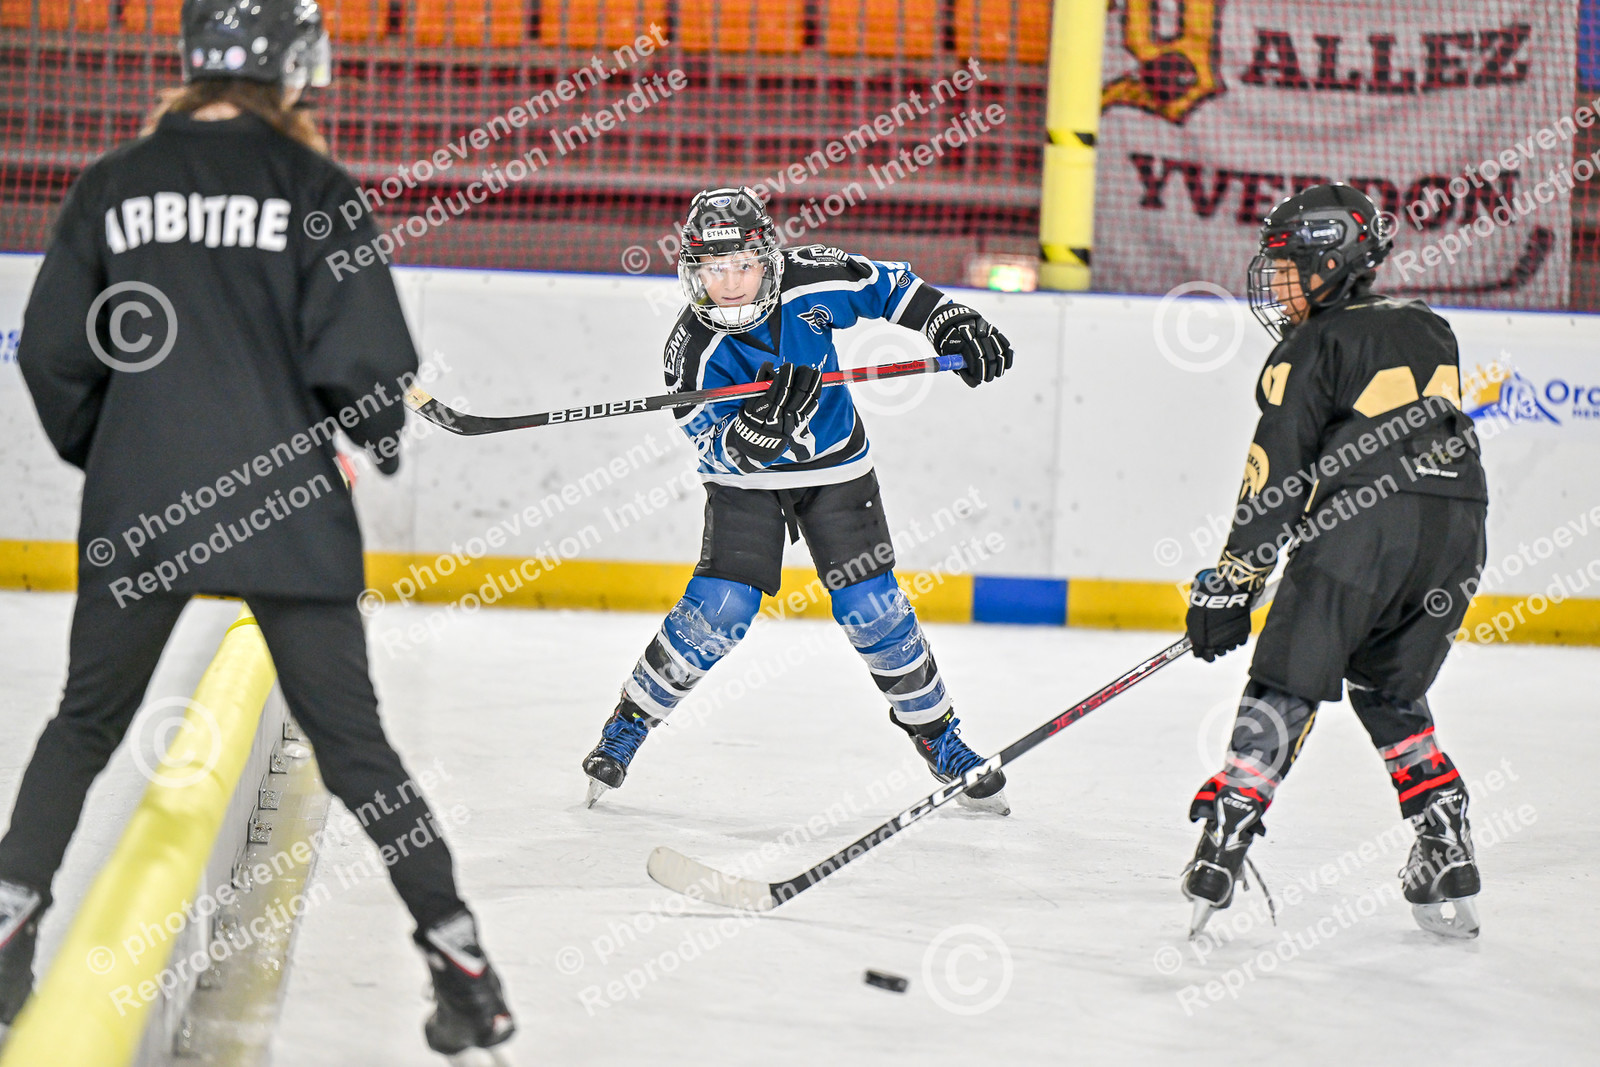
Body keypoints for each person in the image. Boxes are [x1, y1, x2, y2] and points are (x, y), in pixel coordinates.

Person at [3, 0, 513, 1058]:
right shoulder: (313, 188)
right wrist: (378, 432)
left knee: (83, 726)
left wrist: (120, 453)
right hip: (286, 508)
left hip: (143, 508)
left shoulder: (114, 183)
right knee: (357, 749)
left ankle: (5, 937)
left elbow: (51, 350)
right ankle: (463, 966)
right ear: (289, 67)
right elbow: (365, 361)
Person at [580, 187, 1015, 815]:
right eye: (714, 268)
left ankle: (938, 737)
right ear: (694, 271)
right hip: (747, 486)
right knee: (719, 610)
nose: (730, 283)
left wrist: (951, 322)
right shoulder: (691, 349)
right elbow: (714, 446)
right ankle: (629, 723)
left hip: (838, 467)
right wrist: (757, 433)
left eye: (743, 265)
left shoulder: (811, 279)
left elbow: (890, 287)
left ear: (768, 259)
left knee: (873, 607)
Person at [1180, 183, 1488, 939]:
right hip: (1459, 529)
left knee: (1290, 675)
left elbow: (1274, 476)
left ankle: (1230, 822)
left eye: (1288, 269)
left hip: (1362, 531)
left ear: (1331, 264)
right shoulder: (1430, 326)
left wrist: (1232, 585)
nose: (1277, 286)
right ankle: (1442, 825)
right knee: (1386, 681)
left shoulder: (1307, 346)